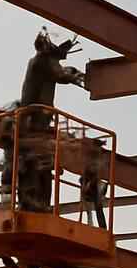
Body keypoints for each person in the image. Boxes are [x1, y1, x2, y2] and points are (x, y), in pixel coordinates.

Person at [14, 30, 86, 212]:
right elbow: (60, 74)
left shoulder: (44, 62)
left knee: (44, 164)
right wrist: (83, 78)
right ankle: (32, 200)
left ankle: (41, 203)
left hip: (39, 120)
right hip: (32, 121)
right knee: (34, 162)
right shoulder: (40, 61)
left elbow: (59, 73)